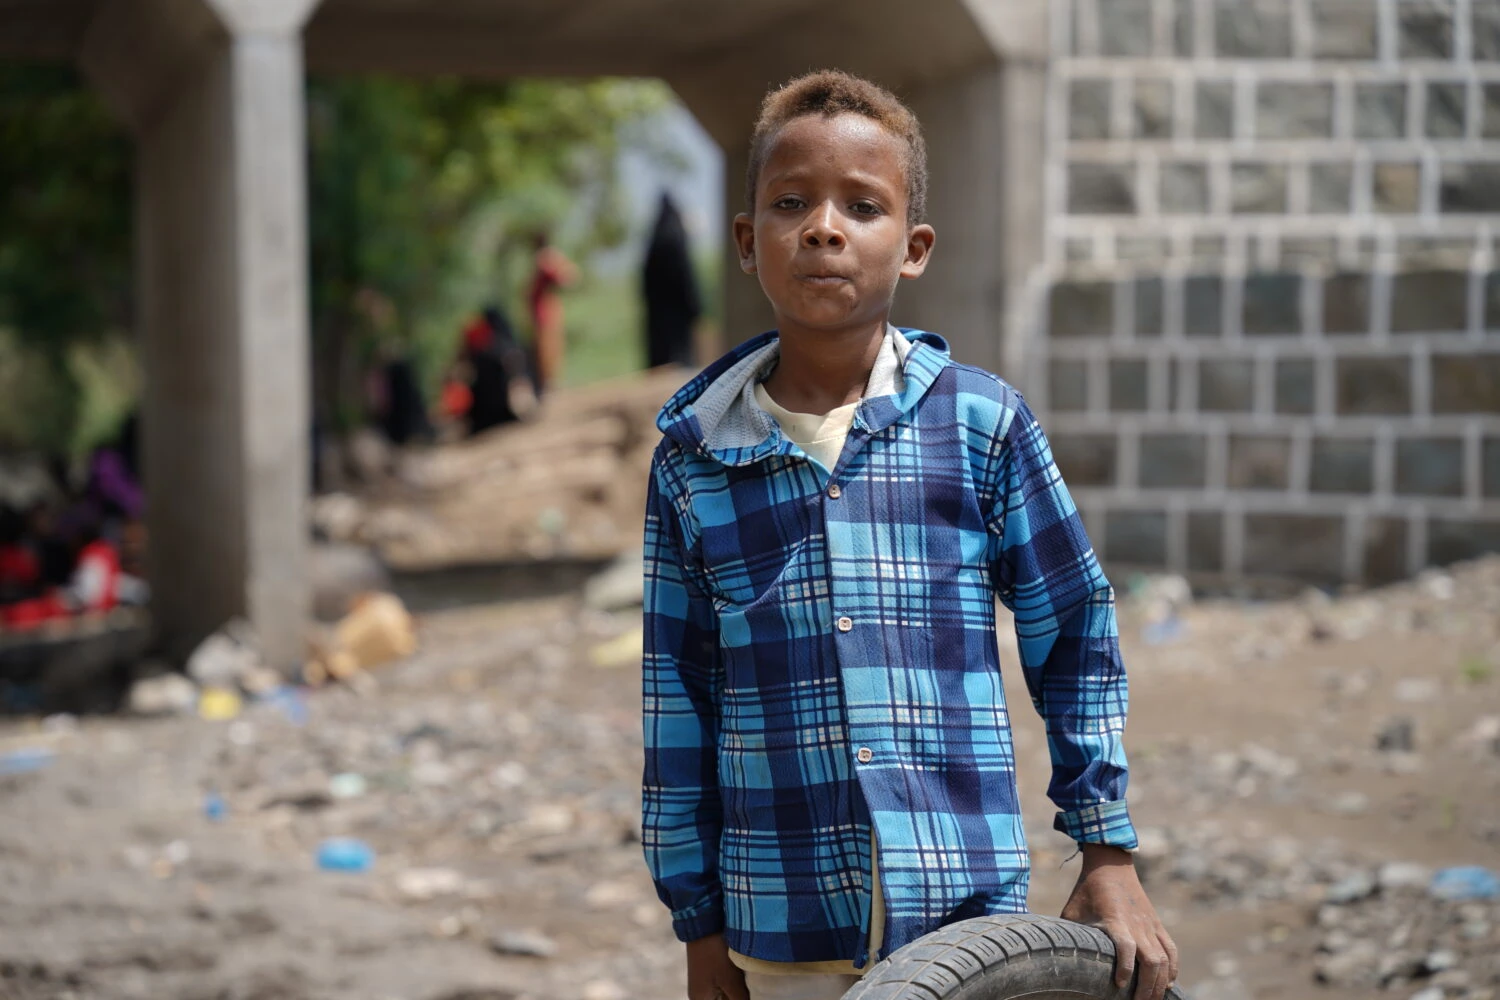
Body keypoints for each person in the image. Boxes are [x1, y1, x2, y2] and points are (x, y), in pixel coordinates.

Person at [641, 71, 1178, 1000]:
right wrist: (700, 928)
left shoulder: (981, 426)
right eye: (791, 203)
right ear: (746, 241)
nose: (823, 227)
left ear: (914, 248)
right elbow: (675, 702)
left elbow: (1074, 628)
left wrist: (1107, 850)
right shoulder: (695, 462)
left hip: (971, 923)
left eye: (863, 205)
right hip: (783, 930)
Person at [642, 192, 703, 369]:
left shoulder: (654, 243)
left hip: (658, 318)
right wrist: (696, 307)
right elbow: (687, 278)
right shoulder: (676, 240)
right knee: (679, 362)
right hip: (677, 318)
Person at [526, 232, 577, 394]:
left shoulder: (546, 257)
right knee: (545, 350)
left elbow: (567, 277)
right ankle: (548, 383)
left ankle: (551, 382)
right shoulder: (545, 258)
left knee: (550, 348)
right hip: (542, 312)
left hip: (546, 310)